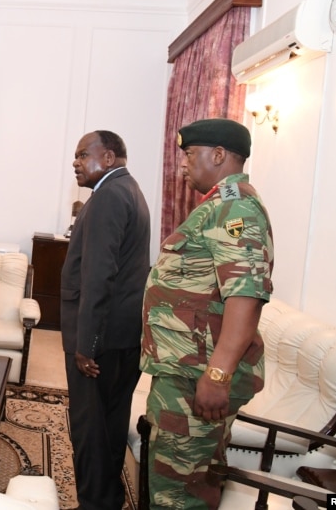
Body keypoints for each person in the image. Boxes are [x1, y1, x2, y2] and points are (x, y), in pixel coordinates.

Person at [140, 118, 274, 509]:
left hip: (198, 375)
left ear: (218, 155)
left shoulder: (236, 209)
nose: (182, 163)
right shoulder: (218, 204)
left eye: (189, 154)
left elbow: (246, 297)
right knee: (183, 482)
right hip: (184, 371)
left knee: (180, 495)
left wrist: (218, 374)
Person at [60, 130, 151, 510]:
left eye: (83, 155)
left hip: (102, 342)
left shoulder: (108, 198)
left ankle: (95, 502)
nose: (76, 162)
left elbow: (99, 276)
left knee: (91, 428)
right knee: (111, 424)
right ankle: (108, 498)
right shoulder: (129, 190)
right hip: (121, 336)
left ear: (109, 157)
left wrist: (86, 345)